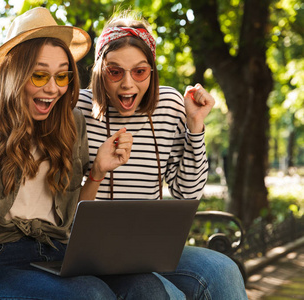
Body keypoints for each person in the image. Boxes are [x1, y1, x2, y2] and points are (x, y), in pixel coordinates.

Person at [0, 7, 172, 300]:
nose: (52, 89)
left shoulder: (71, 123)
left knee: (147, 288)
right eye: (39, 76)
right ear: (14, 73)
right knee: (91, 295)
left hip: (58, 255)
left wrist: (97, 173)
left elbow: (74, 223)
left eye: (62, 76)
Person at [76, 10, 249, 300]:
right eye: (115, 71)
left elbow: (187, 193)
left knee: (224, 270)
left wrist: (195, 126)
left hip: (148, 248)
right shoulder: (76, 109)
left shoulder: (169, 104)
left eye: (140, 71)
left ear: (151, 71)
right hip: (91, 250)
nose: (128, 84)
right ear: (99, 70)